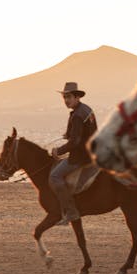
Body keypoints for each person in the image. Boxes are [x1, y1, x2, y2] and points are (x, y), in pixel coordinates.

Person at [49, 82, 97, 225]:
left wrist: (59, 150)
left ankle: (71, 212)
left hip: (81, 156)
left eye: (69, 97)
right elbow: (83, 133)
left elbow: (75, 142)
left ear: (77, 97)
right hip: (91, 151)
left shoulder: (77, 115)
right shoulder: (86, 110)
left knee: (55, 175)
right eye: (64, 97)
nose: (66, 100)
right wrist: (69, 134)